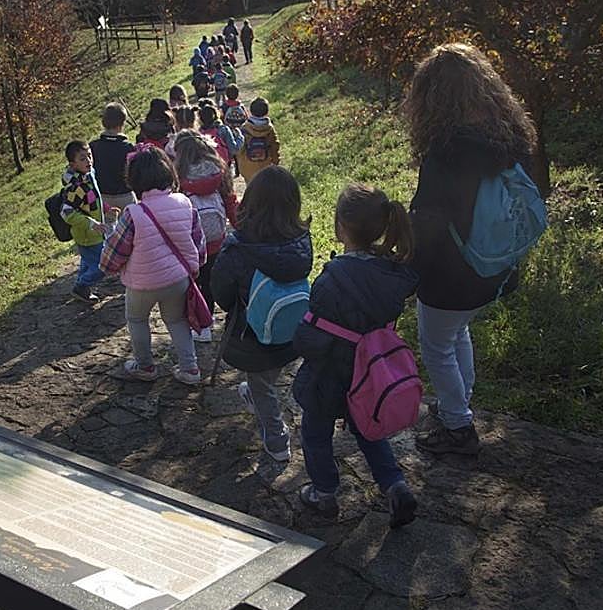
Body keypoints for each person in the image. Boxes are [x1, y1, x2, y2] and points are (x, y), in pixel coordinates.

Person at [404, 43, 537, 456]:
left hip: (452, 274)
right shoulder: (509, 138)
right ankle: (457, 401)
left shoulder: (445, 153)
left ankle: (458, 426)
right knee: (456, 333)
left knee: (437, 345)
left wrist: (408, 274)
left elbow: (427, 225)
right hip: (494, 266)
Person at [292, 184, 419, 526]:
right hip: (372, 373)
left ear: (340, 226)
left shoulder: (333, 277)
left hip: (330, 375)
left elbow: (311, 334)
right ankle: (395, 485)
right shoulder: (395, 273)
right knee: (369, 430)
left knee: (315, 433)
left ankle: (324, 492)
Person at [211, 166, 313, 462]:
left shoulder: (238, 249)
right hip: (291, 332)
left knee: (262, 386)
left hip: (252, 336)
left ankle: (278, 442)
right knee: (266, 377)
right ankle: (255, 391)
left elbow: (222, 294)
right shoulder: (302, 243)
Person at [100, 144, 207, 385]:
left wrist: (108, 267)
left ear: (134, 179)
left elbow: (116, 253)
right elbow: (198, 242)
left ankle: (145, 366)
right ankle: (190, 369)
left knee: (137, 320)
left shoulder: (133, 213)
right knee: (177, 321)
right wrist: (195, 267)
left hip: (142, 284)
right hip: (178, 279)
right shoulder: (184, 202)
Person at [174, 130, 239, 342]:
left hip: (190, 240)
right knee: (210, 280)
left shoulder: (179, 174)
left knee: (194, 282)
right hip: (216, 237)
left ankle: (196, 322)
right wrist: (239, 226)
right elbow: (230, 201)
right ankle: (212, 319)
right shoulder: (219, 169)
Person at [60, 141, 108, 303]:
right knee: (103, 265)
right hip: (88, 234)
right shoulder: (76, 186)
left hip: (92, 233)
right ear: (73, 164)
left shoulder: (89, 175)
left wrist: (104, 207)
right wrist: (91, 223)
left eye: (89, 156)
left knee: (88, 262)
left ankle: (82, 288)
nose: (88, 160)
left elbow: (92, 198)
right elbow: (66, 212)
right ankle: (82, 286)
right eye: (82, 158)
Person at [89, 102, 136, 211]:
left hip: (102, 198)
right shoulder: (128, 148)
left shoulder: (93, 146)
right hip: (125, 197)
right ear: (122, 123)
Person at [240, 97, 280, 183]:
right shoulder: (269, 129)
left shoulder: (245, 128)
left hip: (248, 167)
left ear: (250, 111)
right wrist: (275, 162)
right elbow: (275, 146)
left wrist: (241, 166)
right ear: (267, 112)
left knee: (251, 188)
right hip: (265, 166)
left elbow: (240, 148)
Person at [197, 102, 241, 167]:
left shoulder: (198, 133)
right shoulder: (223, 129)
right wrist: (240, 137)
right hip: (224, 164)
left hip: (208, 166)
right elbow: (233, 150)